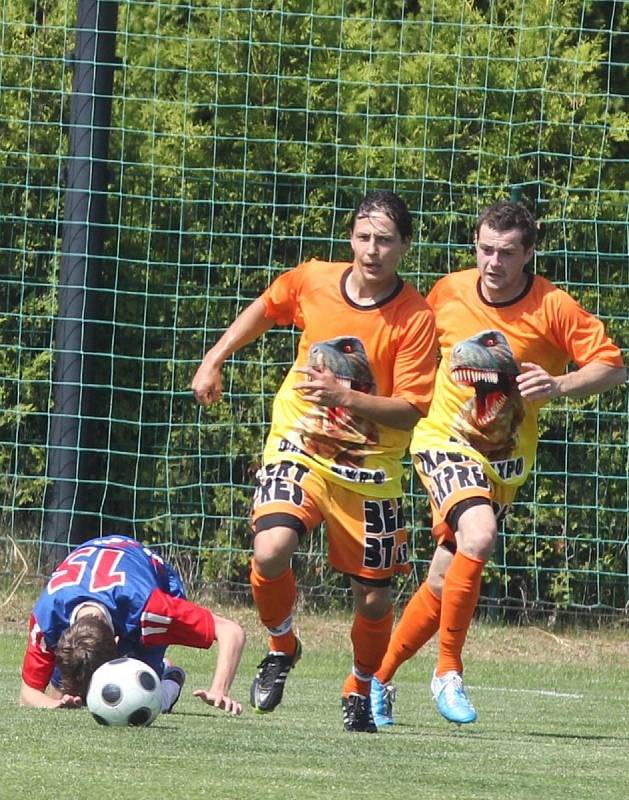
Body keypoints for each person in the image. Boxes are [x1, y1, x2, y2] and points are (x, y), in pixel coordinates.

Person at [369, 200, 626, 727]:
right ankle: (448, 671)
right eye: (485, 249)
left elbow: (612, 365)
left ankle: (376, 677)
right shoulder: (446, 292)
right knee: (480, 537)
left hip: (502, 462)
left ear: (529, 254)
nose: (493, 262)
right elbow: (406, 343)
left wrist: (559, 385)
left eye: (507, 253)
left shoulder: (553, 306)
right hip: (442, 441)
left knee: (444, 578)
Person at [192, 190, 437, 732]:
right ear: (351, 237)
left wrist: (343, 395)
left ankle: (359, 684)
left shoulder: (416, 318)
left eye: (386, 240)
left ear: (405, 246)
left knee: (373, 602)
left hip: (371, 470)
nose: (372, 250)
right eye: (364, 237)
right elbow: (266, 307)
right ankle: (282, 647)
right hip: (299, 443)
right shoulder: (314, 279)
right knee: (271, 547)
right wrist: (215, 357)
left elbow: (412, 410)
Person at [20, 534, 246, 715]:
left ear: (117, 642)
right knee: (64, 697)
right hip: (103, 566)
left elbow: (230, 631)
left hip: (151, 577)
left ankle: (170, 677)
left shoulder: (150, 609)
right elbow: (27, 692)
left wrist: (219, 689)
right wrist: (52, 704)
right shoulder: (47, 617)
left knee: (140, 695)